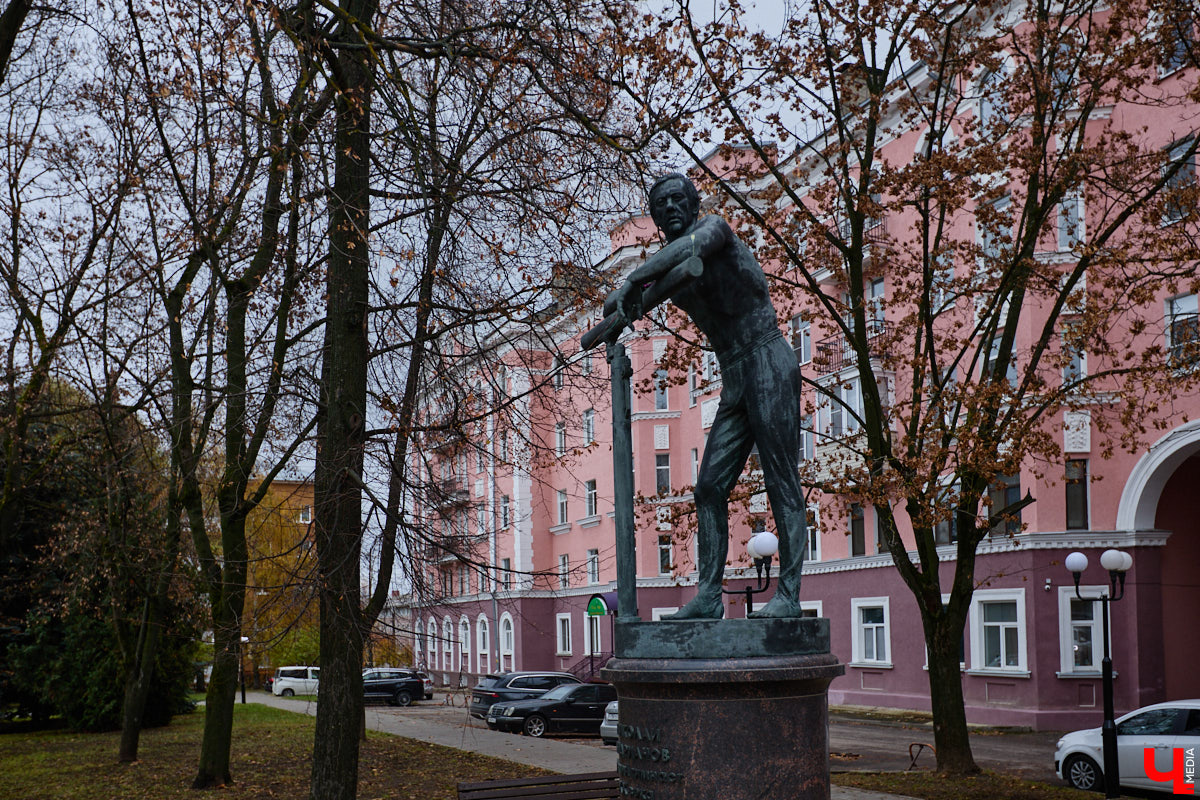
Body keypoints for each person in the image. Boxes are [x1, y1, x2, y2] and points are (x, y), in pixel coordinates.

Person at [608, 173, 807, 619]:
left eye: (679, 200)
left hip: (767, 358)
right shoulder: (672, 268)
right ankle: (709, 596)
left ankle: (789, 596)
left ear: (694, 205)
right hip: (735, 375)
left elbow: (680, 254)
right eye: (662, 206)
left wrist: (632, 280)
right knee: (709, 487)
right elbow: (639, 295)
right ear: (656, 218)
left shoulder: (715, 229)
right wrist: (627, 296)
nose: (671, 208)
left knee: (780, 479)